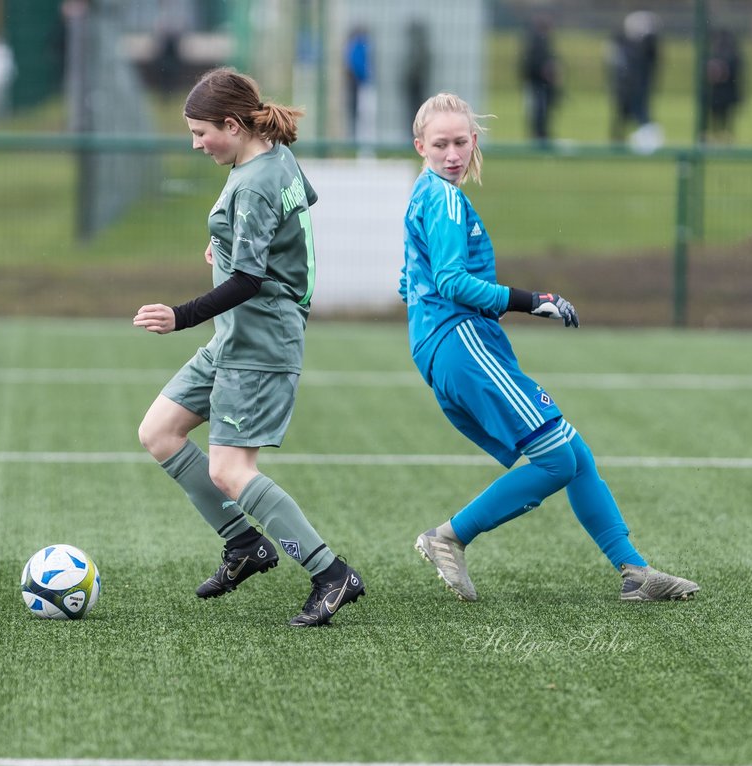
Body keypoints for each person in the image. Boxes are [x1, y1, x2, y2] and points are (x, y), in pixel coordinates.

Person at [400, 92, 699, 603]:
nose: (452, 153)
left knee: (574, 454)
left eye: (460, 142)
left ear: (474, 142)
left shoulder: (425, 194)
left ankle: (634, 571)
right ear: (420, 146)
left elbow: (410, 282)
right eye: (440, 144)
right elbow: (450, 281)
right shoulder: (444, 198)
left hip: (448, 345)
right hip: (461, 341)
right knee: (557, 459)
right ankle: (449, 536)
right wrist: (532, 300)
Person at [133, 68, 365, 627]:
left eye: (200, 132)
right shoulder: (274, 157)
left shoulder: (256, 180)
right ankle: (244, 545)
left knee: (229, 471)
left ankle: (331, 573)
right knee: (159, 433)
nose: (196, 144)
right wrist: (228, 243)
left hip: (260, 341)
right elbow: (289, 224)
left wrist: (180, 315)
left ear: (233, 125)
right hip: (236, 336)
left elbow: (250, 280)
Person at [520, 13, 560, 144]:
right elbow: (535, 62)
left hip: (537, 82)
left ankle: (540, 134)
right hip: (537, 83)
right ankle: (539, 135)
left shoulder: (536, 40)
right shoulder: (539, 41)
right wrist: (545, 71)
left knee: (539, 110)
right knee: (539, 111)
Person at [703, 28, 744, 143]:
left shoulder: (730, 55)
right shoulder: (720, 53)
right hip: (719, 92)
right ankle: (719, 134)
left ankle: (724, 135)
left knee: (724, 114)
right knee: (718, 114)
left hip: (724, 92)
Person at [344, 26, 375, 152]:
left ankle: (362, 145)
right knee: (363, 117)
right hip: (361, 85)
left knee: (362, 116)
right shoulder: (359, 45)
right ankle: (362, 146)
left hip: (360, 84)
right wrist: (365, 78)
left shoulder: (355, 45)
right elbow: (358, 66)